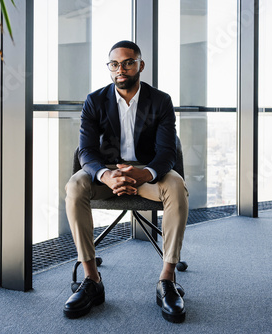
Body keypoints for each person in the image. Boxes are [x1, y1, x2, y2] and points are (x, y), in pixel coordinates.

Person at [64, 40, 189, 323]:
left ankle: (167, 281)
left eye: (128, 62)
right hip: (108, 175)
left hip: (148, 174)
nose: (121, 69)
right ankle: (92, 279)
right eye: (114, 64)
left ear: (140, 65)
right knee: (75, 186)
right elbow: (86, 150)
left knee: (176, 186)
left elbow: (168, 151)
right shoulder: (95, 101)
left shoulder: (160, 101)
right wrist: (107, 175)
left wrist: (142, 174)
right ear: (109, 68)